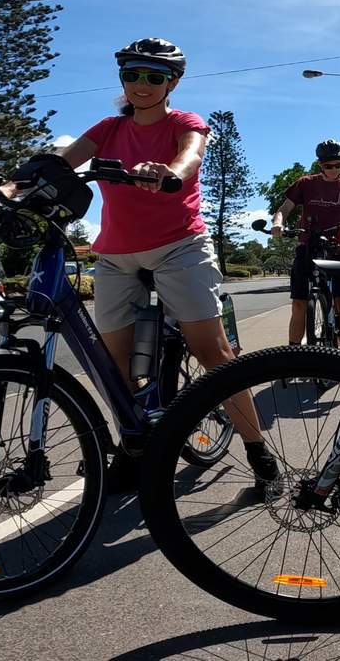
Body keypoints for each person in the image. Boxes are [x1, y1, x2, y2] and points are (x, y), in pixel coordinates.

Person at [55, 37, 277, 490]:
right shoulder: (107, 129)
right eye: (132, 75)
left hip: (179, 245)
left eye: (154, 77)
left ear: (171, 82)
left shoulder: (184, 121)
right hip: (117, 254)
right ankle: (133, 445)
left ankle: (258, 451)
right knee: (113, 362)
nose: (141, 84)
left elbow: (191, 153)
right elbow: (62, 161)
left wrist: (171, 172)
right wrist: (11, 187)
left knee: (213, 353)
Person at [270, 140, 340, 352]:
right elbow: (284, 208)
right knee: (299, 303)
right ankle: (293, 356)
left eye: (339, 165)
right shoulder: (305, 183)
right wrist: (278, 223)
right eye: (329, 166)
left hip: (337, 249)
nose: (334, 169)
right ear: (320, 165)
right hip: (307, 246)